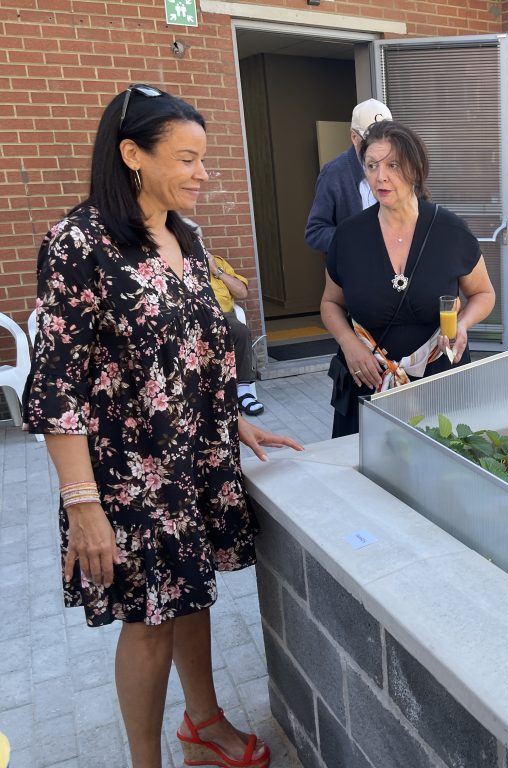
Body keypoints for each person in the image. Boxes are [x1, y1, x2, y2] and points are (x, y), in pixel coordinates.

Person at [21, 83, 302, 768]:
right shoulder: (78, 242)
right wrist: (82, 505)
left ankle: (202, 726)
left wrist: (235, 423)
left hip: (195, 461)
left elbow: (202, 352)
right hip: (125, 477)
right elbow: (58, 384)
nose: (203, 173)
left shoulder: (185, 238)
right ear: (132, 155)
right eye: (187, 158)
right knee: (148, 621)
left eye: (203, 158)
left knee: (192, 592)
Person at [320, 120, 496, 438]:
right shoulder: (348, 236)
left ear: (415, 170)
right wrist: (348, 344)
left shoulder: (450, 231)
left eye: (392, 165)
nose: (379, 176)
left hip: (440, 382)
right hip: (368, 384)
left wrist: (463, 324)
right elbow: (330, 302)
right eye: (371, 165)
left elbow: (483, 294)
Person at [184, 217, 266, 416]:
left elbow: (242, 293)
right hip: (193, 317)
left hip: (224, 315)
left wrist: (217, 271)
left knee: (240, 330)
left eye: (198, 240)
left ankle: (243, 391)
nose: (197, 244)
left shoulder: (218, 262)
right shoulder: (177, 265)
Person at [304, 98, 393, 254]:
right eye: (371, 140)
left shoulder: (401, 167)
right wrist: (355, 238)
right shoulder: (333, 174)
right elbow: (315, 232)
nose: (380, 147)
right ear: (354, 137)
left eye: (388, 139)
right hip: (356, 270)